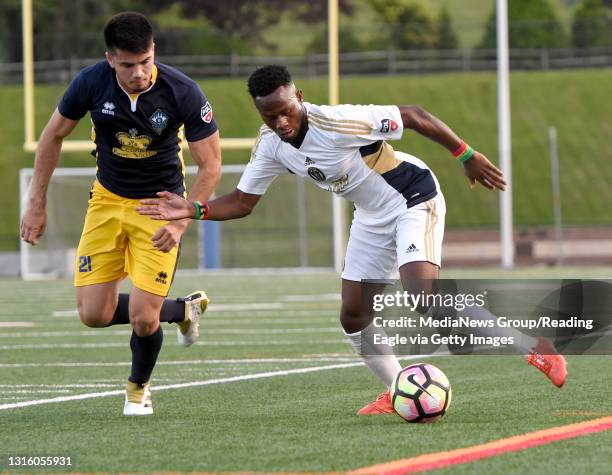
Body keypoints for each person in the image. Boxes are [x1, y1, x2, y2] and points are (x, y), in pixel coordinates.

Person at [136, 65, 567, 415]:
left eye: (286, 110)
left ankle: (537, 348)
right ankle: (398, 388)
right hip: (371, 216)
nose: (281, 122)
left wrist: (467, 156)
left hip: (412, 197)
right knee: (353, 315)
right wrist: (193, 208)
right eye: (271, 116)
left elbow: (414, 114)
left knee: (424, 296)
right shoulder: (271, 145)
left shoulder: (338, 121)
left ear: (299, 97)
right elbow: (244, 202)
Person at [19, 12, 221, 416]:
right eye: (128, 65)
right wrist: (36, 202)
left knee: (143, 320)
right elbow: (52, 136)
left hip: (160, 206)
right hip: (107, 202)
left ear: (153, 52)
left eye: (145, 61)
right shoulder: (91, 82)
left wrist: (180, 221)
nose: (139, 73)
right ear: (110, 59)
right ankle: (182, 309)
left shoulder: (182, 91)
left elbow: (211, 165)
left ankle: (137, 389)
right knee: (93, 315)